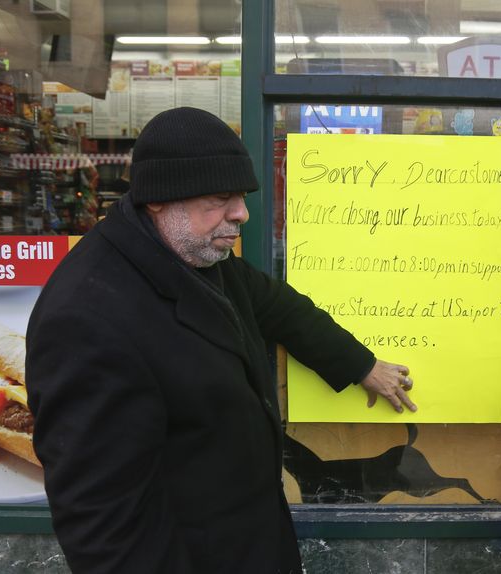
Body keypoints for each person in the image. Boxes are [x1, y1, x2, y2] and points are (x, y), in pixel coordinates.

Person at [25, 107, 417, 574]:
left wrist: (360, 365)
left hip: (249, 541)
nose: (242, 214)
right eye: (220, 198)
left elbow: (281, 307)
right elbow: (105, 524)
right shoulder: (86, 319)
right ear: (158, 199)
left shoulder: (197, 257)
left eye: (243, 196)